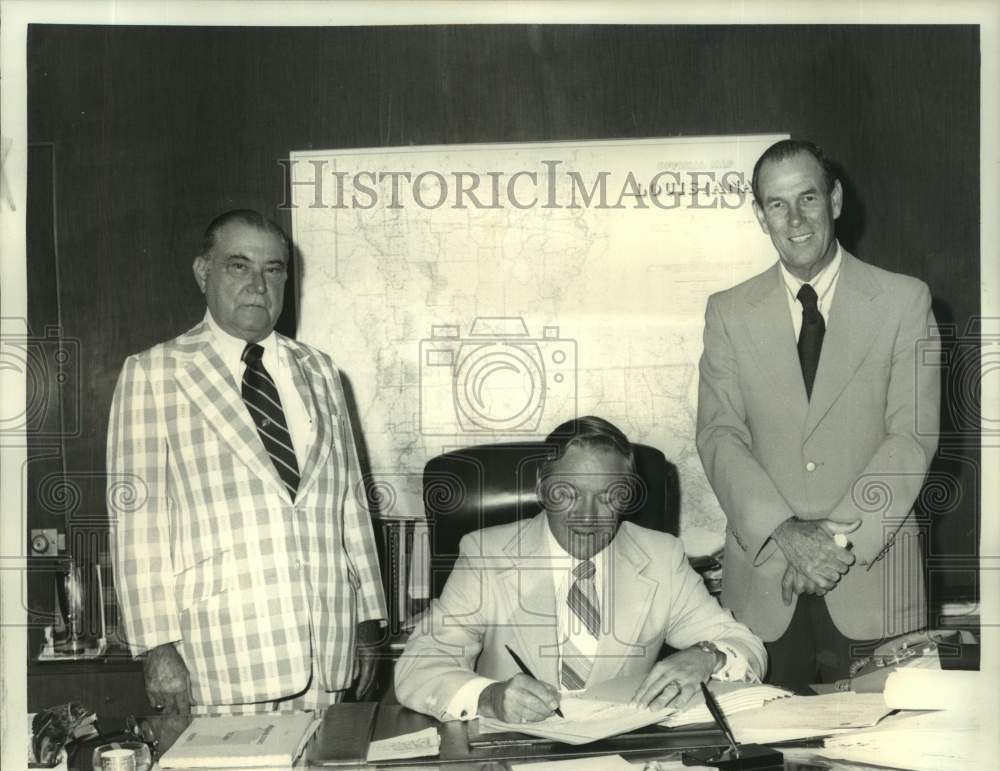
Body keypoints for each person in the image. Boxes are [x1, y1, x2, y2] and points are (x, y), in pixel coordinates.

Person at [107, 210, 387, 734]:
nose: (259, 284)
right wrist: (157, 648)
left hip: (325, 650)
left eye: (274, 269)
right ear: (202, 273)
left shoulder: (321, 371)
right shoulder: (155, 373)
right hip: (218, 657)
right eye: (239, 265)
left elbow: (349, 501)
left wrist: (368, 618)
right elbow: (137, 528)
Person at [696, 139, 940, 688]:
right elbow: (718, 436)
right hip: (763, 586)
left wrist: (831, 546)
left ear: (834, 200)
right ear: (760, 216)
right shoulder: (729, 312)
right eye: (777, 204)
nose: (795, 218)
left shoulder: (904, 301)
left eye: (808, 197)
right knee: (761, 762)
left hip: (874, 578)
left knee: (888, 754)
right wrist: (786, 533)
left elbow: (911, 438)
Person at [395, 417, 765, 723]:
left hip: (623, 760)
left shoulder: (660, 557)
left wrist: (705, 655)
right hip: (512, 756)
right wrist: (489, 697)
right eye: (569, 494)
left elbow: (746, 646)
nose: (588, 516)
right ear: (542, 488)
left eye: (607, 496)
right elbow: (418, 666)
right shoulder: (486, 555)